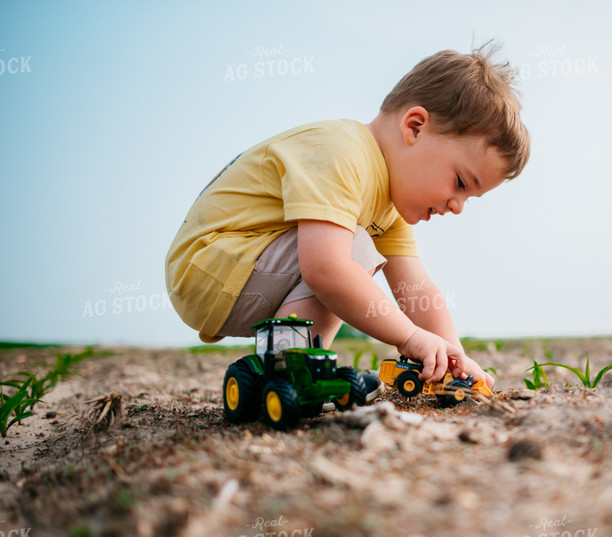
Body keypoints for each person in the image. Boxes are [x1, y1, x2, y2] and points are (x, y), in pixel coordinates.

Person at [165, 44, 529, 395]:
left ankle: (294, 371)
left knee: (352, 246)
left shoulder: (389, 203)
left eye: (470, 197)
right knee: (349, 251)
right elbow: (325, 268)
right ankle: (294, 367)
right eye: (461, 182)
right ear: (415, 127)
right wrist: (409, 337)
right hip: (211, 264)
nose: (458, 206)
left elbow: (415, 290)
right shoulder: (343, 152)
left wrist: (455, 356)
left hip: (240, 271)